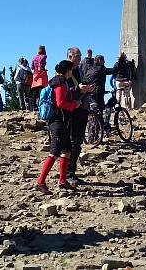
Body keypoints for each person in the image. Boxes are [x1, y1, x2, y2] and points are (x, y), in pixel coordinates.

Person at [33, 60, 80, 195]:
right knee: (54, 152)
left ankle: (62, 181)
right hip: (57, 122)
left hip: (60, 121)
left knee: (67, 150)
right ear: (67, 70)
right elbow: (60, 102)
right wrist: (74, 105)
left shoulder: (57, 81)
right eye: (71, 70)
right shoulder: (60, 82)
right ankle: (40, 182)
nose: (72, 72)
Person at [64, 47, 95, 187]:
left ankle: (72, 173)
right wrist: (79, 89)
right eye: (77, 56)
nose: (79, 58)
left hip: (81, 108)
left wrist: (87, 89)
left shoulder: (79, 70)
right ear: (70, 56)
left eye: (80, 55)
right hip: (72, 111)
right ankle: (67, 175)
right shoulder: (65, 70)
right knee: (72, 143)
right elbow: (62, 90)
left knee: (78, 142)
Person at [82, 55, 112, 129]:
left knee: (95, 113)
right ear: (99, 60)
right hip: (97, 93)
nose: (104, 62)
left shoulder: (90, 69)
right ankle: (101, 129)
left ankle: (94, 134)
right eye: (103, 60)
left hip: (89, 94)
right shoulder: (100, 69)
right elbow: (111, 71)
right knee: (99, 112)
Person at [30, 45, 48, 111]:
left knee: (35, 91)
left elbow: (32, 67)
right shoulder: (44, 56)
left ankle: (34, 106)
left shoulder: (34, 57)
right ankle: (41, 105)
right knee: (42, 91)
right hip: (41, 74)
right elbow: (41, 64)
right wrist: (42, 68)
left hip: (35, 74)